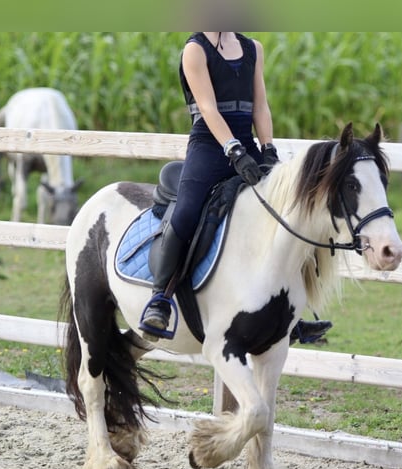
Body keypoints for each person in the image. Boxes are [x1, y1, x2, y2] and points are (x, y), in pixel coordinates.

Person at [139, 32, 331, 345]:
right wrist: (233, 150)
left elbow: (261, 106)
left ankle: (291, 312)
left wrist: (268, 148)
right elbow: (208, 108)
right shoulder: (195, 50)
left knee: (289, 210)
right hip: (209, 147)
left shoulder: (253, 48)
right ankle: (160, 298)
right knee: (186, 213)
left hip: (247, 145)